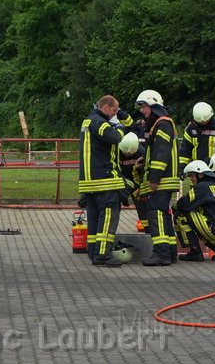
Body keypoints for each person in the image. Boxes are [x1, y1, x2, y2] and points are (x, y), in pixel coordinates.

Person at [77, 95, 133, 267]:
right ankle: (103, 254)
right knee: (108, 217)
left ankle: (94, 253)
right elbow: (115, 138)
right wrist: (120, 128)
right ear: (106, 107)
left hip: (90, 182)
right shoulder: (99, 122)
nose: (114, 114)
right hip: (104, 181)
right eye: (114, 110)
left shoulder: (87, 121)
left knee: (94, 219)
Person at [136, 89, 181, 267]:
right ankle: (170, 252)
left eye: (143, 106)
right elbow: (158, 151)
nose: (142, 111)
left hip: (161, 181)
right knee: (163, 215)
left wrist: (154, 177)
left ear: (153, 104)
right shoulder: (163, 123)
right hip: (165, 179)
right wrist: (144, 160)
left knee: (156, 215)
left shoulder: (162, 124)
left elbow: (162, 153)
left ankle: (161, 254)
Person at [174, 160, 215, 262]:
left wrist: (173, 207)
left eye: (192, 176)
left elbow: (183, 204)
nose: (191, 179)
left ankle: (195, 252)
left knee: (180, 215)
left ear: (201, 175)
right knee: (199, 222)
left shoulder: (201, 187)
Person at [180, 102, 215, 171]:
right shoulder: (191, 129)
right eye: (201, 123)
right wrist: (181, 168)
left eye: (205, 121)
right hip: (197, 170)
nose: (203, 123)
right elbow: (185, 152)